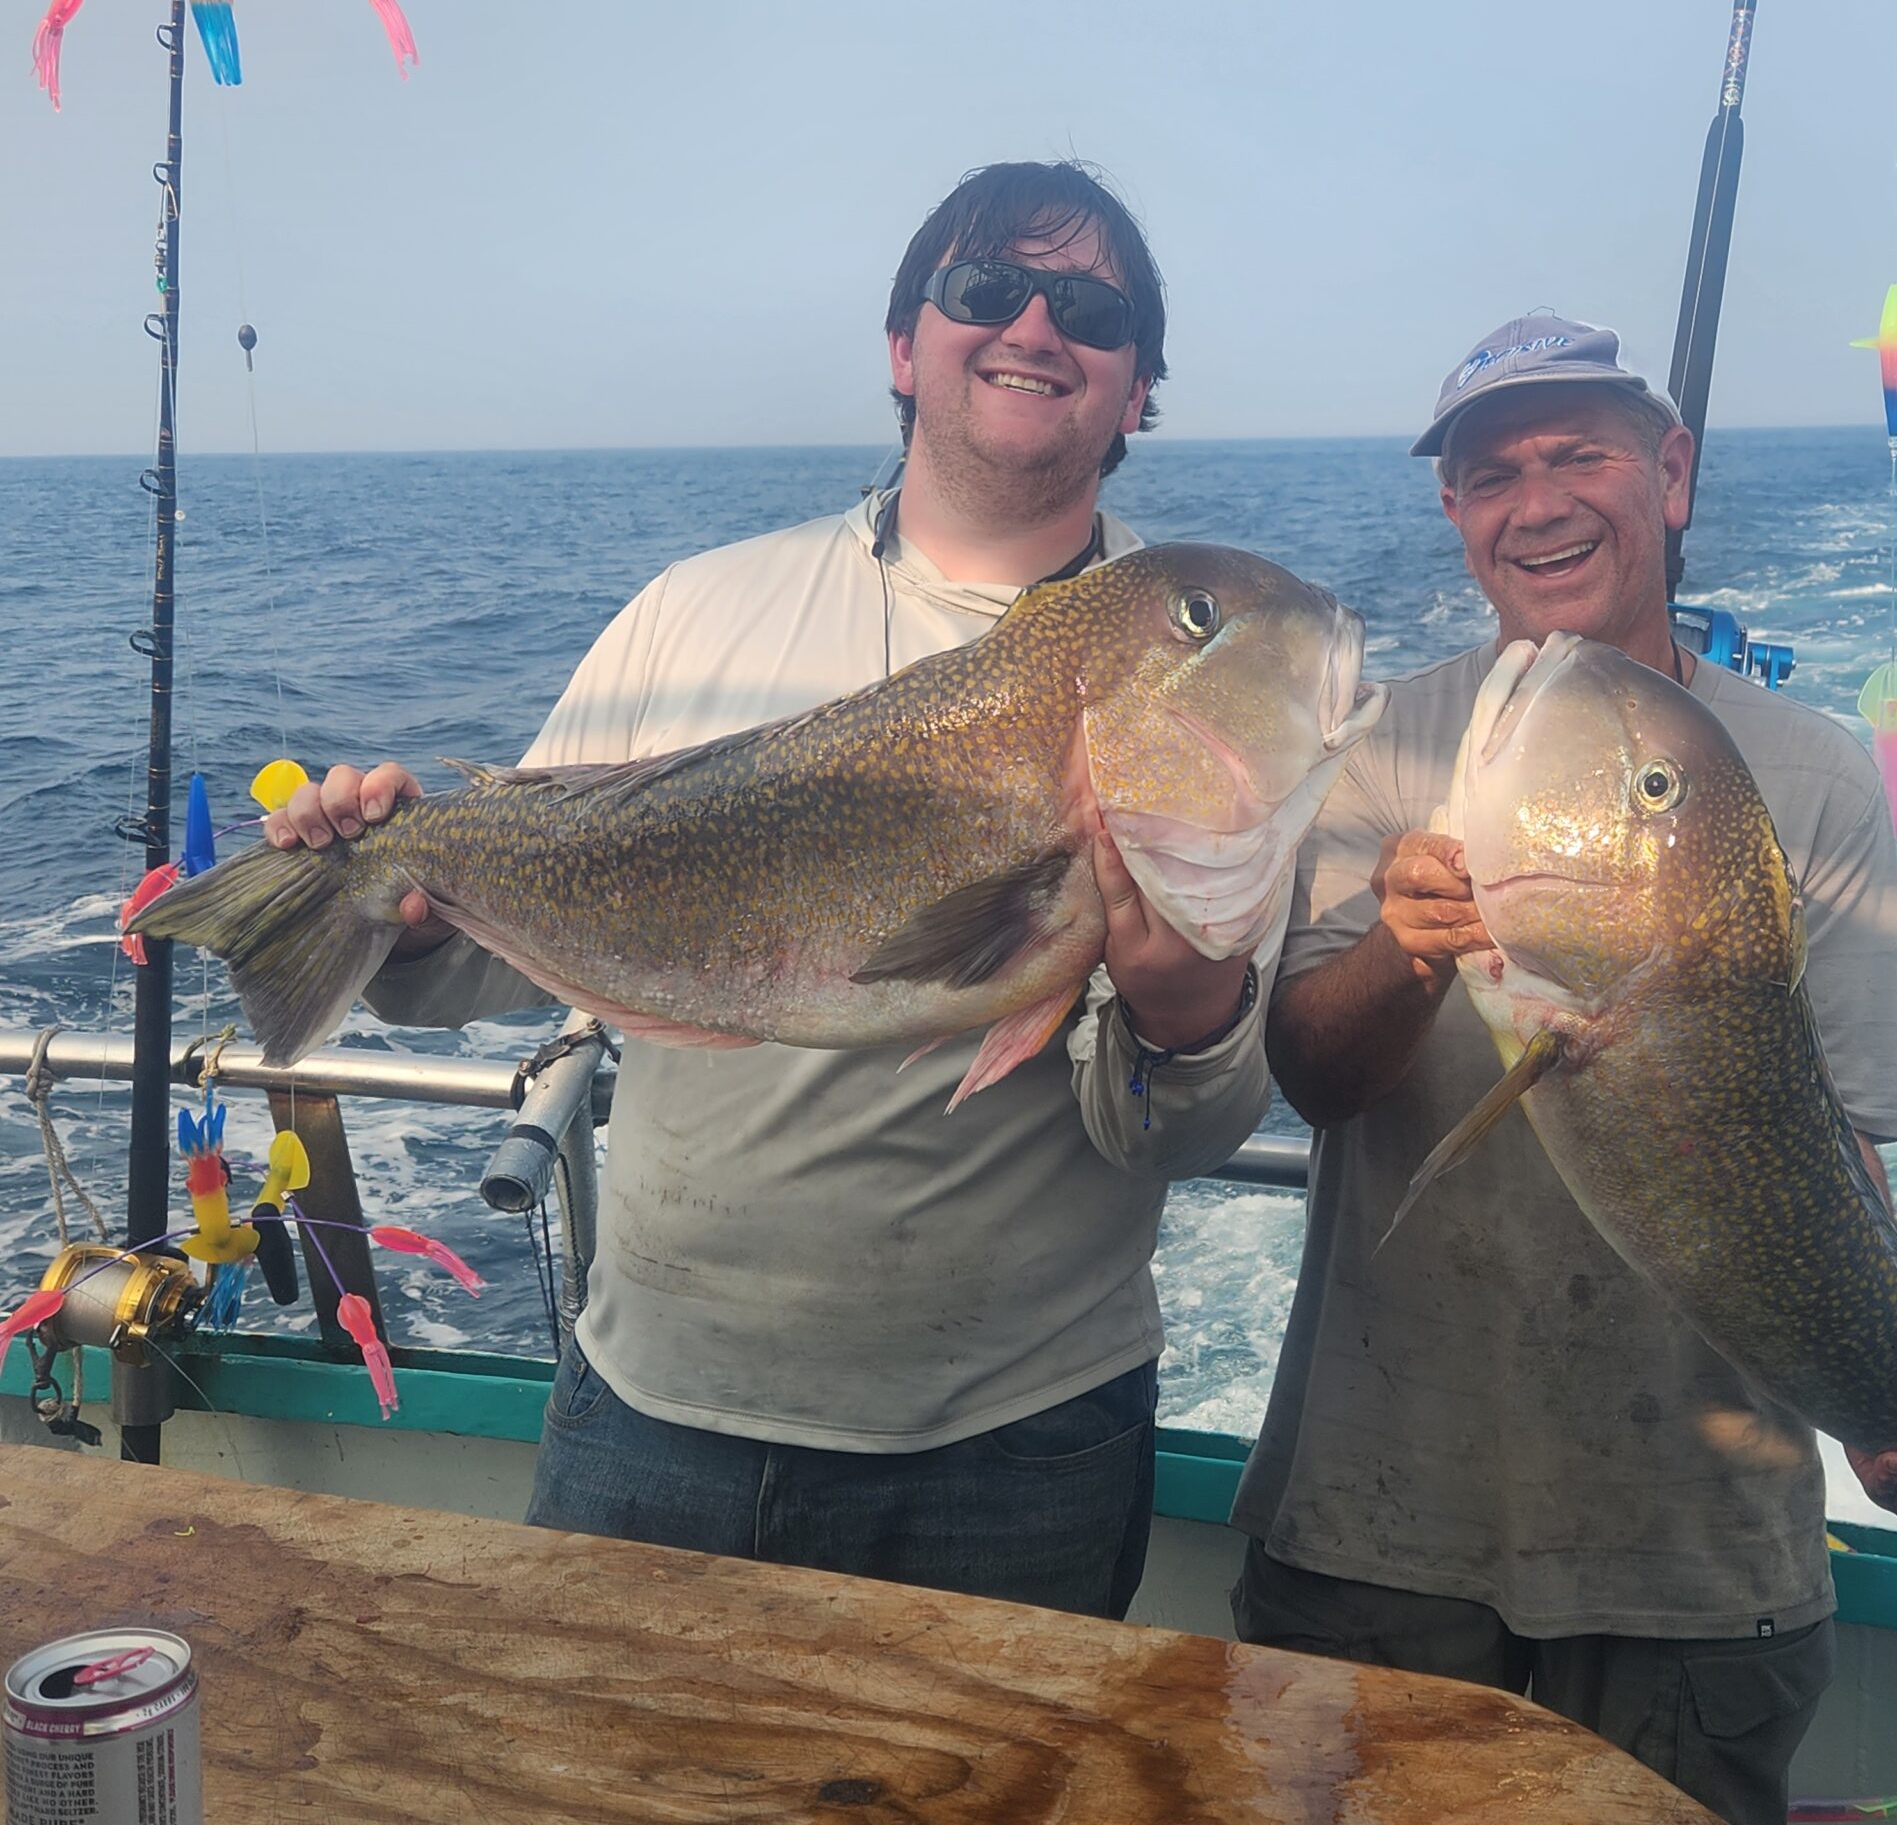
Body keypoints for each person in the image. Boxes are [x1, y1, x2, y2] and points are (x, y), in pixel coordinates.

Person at [267, 161, 1275, 1619]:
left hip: (1025, 1435)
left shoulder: (1208, 696)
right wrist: (393, 900)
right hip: (660, 1400)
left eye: (1095, 310)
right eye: (988, 288)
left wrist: (1184, 1020)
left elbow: (1189, 1130)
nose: (1037, 327)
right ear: (903, 343)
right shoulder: (694, 610)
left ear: (1138, 390)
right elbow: (482, 966)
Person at [1229, 314, 1897, 1825]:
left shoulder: (1811, 772)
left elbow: (1841, 1148)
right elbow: (1312, 1069)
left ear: (1672, 475)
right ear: (1454, 513)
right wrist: (1402, 950)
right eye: (1495, 473)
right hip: (1382, 1525)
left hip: (1699, 1564)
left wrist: (1894, 1401)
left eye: (1582, 456)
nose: (1538, 502)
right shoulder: (1374, 751)